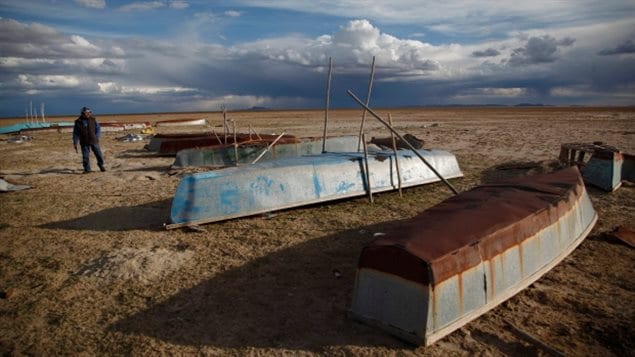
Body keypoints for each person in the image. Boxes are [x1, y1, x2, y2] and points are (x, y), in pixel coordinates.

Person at [73, 107, 106, 173]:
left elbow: (98, 129)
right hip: (84, 141)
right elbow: (75, 133)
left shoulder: (93, 120)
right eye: (87, 113)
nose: (89, 114)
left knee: (98, 154)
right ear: (82, 113)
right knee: (85, 156)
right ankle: (87, 169)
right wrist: (75, 142)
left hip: (94, 140)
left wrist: (97, 136)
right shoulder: (78, 122)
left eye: (90, 112)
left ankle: (100, 164)